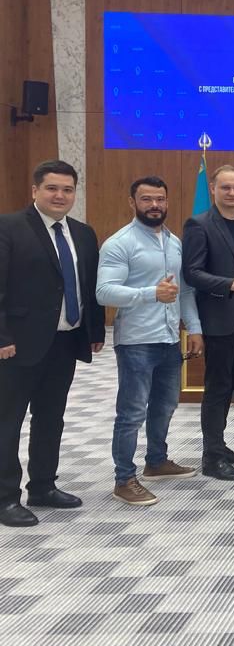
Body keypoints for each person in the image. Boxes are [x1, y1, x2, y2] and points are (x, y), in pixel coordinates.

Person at [0, 160, 105, 528]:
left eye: (67, 189)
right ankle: (5, 498)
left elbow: (88, 286)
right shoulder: (9, 227)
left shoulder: (83, 233)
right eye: (52, 188)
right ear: (35, 190)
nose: (60, 195)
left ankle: (43, 486)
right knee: (8, 422)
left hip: (64, 342)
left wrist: (94, 330)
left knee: (51, 418)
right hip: (16, 346)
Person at [96, 176, 202, 506]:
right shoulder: (119, 243)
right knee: (131, 413)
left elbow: (184, 291)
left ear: (167, 202)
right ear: (132, 202)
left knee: (165, 405)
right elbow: (104, 292)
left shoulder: (174, 242)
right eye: (146, 199)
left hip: (169, 338)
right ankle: (124, 479)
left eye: (160, 199)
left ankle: (156, 461)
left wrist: (194, 328)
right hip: (136, 341)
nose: (154, 205)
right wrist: (150, 293)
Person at [182, 164, 234, 482]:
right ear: (212, 188)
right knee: (217, 388)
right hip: (218, 319)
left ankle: (219, 444)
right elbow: (192, 273)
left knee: (229, 386)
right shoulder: (199, 225)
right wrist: (231, 284)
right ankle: (211, 458)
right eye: (225, 187)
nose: (232, 193)